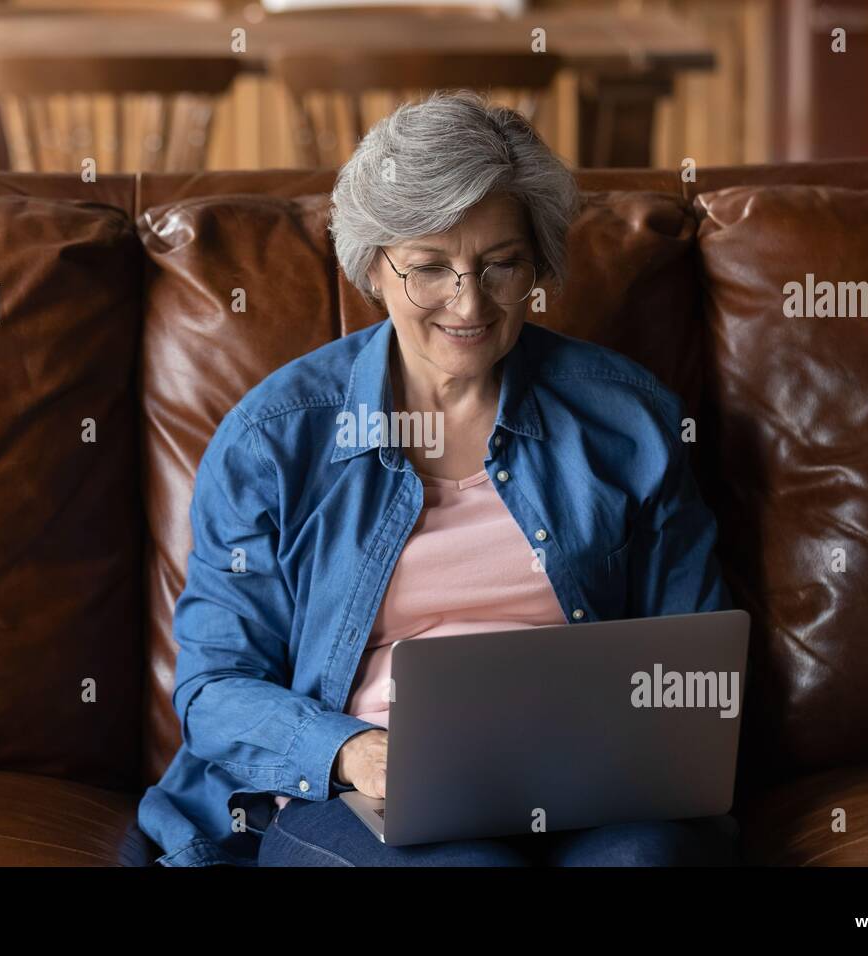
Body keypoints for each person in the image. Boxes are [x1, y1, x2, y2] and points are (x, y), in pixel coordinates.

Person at [138, 90, 738, 867]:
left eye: (500, 265)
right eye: (429, 268)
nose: (468, 301)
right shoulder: (275, 440)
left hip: (590, 791)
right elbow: (215, 686)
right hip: (361, 792)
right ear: (373, 268)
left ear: (537, 263)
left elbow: (693, 658)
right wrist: (354, 752)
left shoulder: (628, 421)